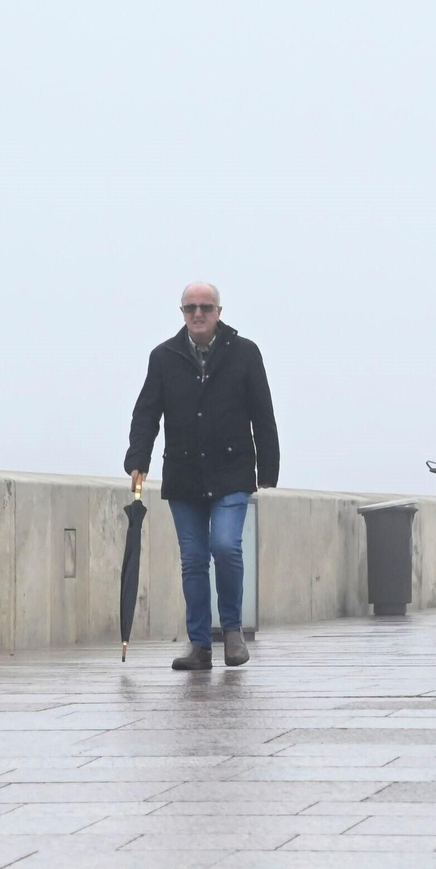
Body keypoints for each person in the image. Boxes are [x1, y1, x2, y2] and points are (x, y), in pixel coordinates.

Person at [125, 282, 279, 671]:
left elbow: (263, 412)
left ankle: (231, 632)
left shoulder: (245, 353)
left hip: (232, 470)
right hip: (184, 472)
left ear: (219, 312)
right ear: (182, 312)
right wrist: (137, 459)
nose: (198, 314)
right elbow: (147, 412)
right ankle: (198, 644)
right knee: (193, 560)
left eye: (205, 307)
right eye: (190, 307)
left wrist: (269, 467)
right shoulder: (164, 356)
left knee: (226, 548)